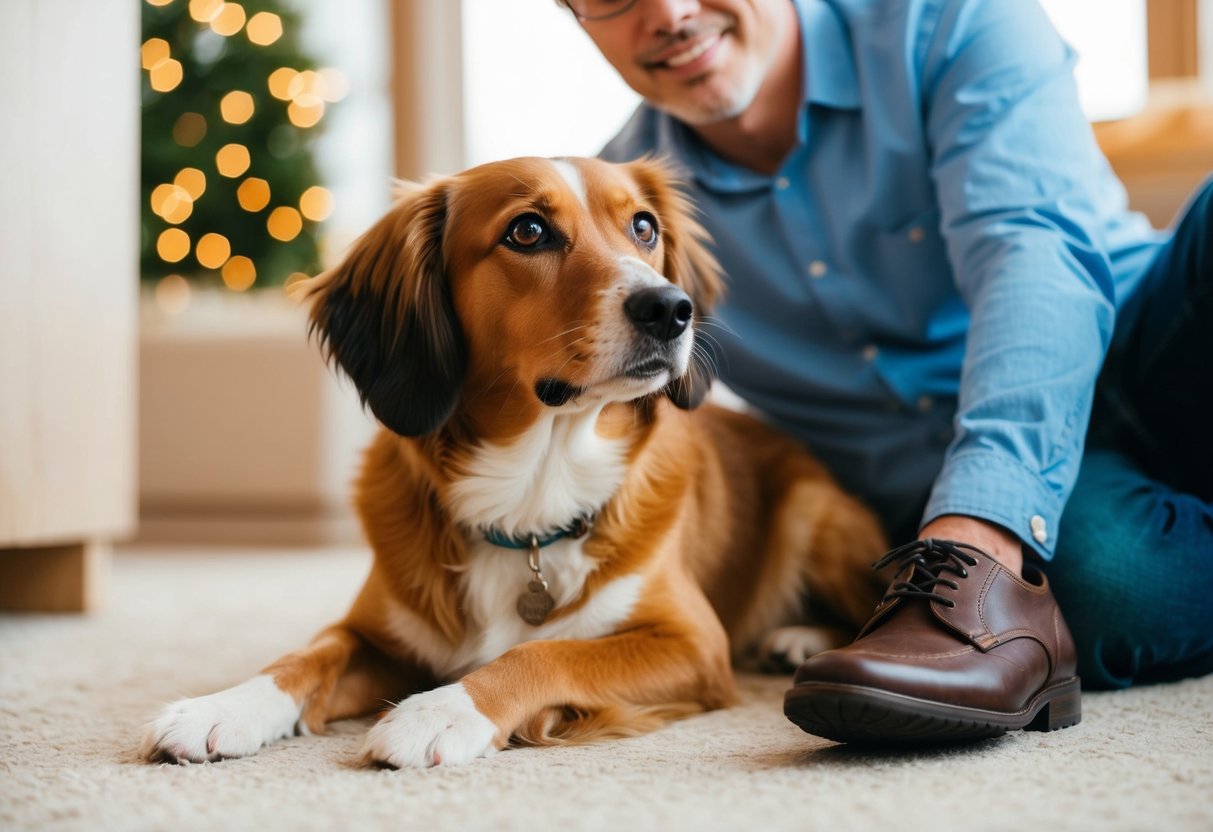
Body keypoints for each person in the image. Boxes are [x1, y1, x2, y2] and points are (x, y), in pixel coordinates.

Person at [553, 0, 1213, 743]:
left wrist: (981, 529)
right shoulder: (620, 214)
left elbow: (1031, 255)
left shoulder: (953, 21)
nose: (669, 13)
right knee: (1104, 595)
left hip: (1145, 342)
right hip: (966, 497)